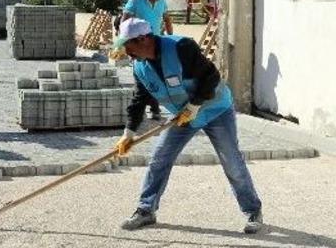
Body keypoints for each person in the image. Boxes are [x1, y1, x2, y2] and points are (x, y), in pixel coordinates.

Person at [113, 17, 263, 234]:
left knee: (231, 160)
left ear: (144, 39)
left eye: (129, 45)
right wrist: (129, 133)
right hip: (183, 117)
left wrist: (194, 106)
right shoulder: (139, 66)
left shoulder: (181, 47)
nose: (127, 52)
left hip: (215, 109)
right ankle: (146, 210)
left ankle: (253, 211)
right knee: (160, 157)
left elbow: (211, 77)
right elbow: (139, 99)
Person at [121, 0, 172, 120]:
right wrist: (123, 43)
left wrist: (170, 38)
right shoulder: (135, 1)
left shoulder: (162, 1)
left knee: (153, 76)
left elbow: (167, 19)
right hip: (138, 45)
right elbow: (124, 22)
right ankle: (149, 109)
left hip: (155, 44)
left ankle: (152, 108)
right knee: (141, 76)